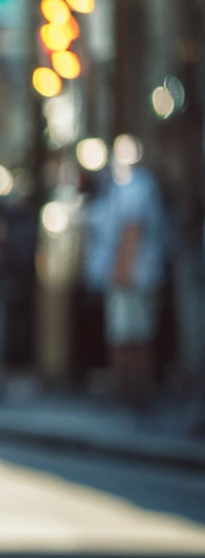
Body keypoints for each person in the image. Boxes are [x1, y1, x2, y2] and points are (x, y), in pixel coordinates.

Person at [83, 137, 168, 410]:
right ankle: (129, 394)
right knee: (126, 336)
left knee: (131, 337)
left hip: (131, 278)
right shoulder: (121, 187)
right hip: (127, 276)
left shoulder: (136, 186)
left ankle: (135, 395)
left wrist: (120, 273)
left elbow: (132, 230)